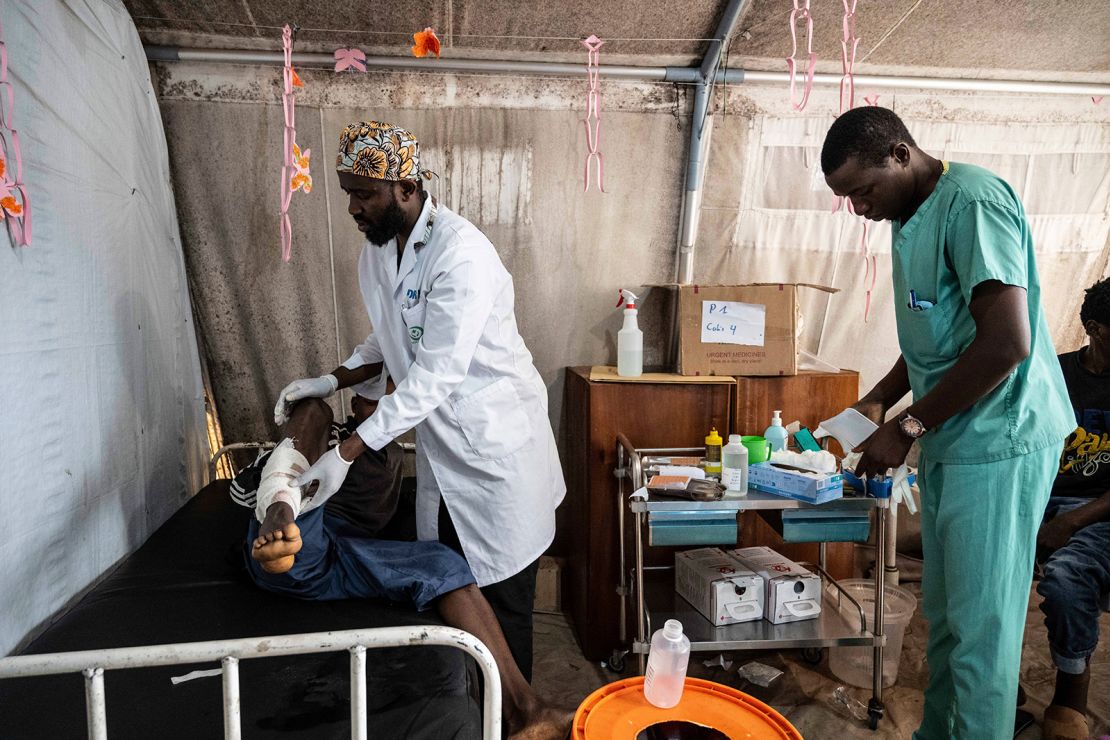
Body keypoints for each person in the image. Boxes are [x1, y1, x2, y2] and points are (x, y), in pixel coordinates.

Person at [272, 121, 565, 683]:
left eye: (365, 193)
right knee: (454, 589)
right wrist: (329, 382)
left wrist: (348, 452)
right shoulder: (379, 252)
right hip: (447, 450)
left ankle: (518, 719)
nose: (354, 208)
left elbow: (435, 375)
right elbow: (387, 339)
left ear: (406, 187)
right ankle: (472, 708)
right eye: (348, 193)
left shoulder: (462, 255)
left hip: (497, 457)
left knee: (504, 604)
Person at [821, 106, 1074, 738]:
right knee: (948, 619)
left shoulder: (974, 206)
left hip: (999, 440)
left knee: (981, 632)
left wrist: (906, 429)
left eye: (863, 191)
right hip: (954, 436)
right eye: (847, 199)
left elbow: (1005, 342)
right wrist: (877, 399)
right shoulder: (908, 215)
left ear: (901, 154)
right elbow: (936, 331)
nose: (859, 208)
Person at [235, 394, 570, 740]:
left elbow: (375, 519)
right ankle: (279, 505)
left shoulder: (389, 456)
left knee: (444, 566)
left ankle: (524, 709)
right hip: (300, 536)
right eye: (377, 393)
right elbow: (239, 489)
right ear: (355, 403)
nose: (386, 401)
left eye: (393, 396)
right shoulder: (327, 433)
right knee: (313, 408)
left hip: (349, 553)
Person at [1033, 278, 1110, 740]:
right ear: (1095, 328)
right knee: (978, 572)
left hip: (1099, 512)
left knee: (1065, 581)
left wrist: (1071, 521)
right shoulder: (1054, 372)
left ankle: (1070, 695)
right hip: (1040, 499)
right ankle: (994, 681)